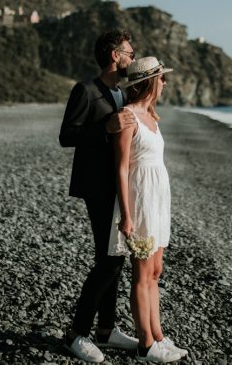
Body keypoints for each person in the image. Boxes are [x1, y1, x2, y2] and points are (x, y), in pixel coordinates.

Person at [60, 30, 140, 363]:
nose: (132, 59)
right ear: (113, 55)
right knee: (108, 261)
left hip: (120, 186)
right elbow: (67, 136)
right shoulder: (86, 90)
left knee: (116, 258)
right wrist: (105, 128)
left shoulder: (122, 93)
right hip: (97, 188)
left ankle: (106, 330)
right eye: (129, 54)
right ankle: (76, 334)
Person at [108, 57, 188, 363]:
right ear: (149, 81)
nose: (165, 82)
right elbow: (122, 168)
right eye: (162, 78)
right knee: (142, 274)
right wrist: (126, 215)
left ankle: (158, 336)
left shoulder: (152, 116)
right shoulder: (128, 116)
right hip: (140, 200)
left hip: (158, 200)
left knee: (156, 271)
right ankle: (145, 345)